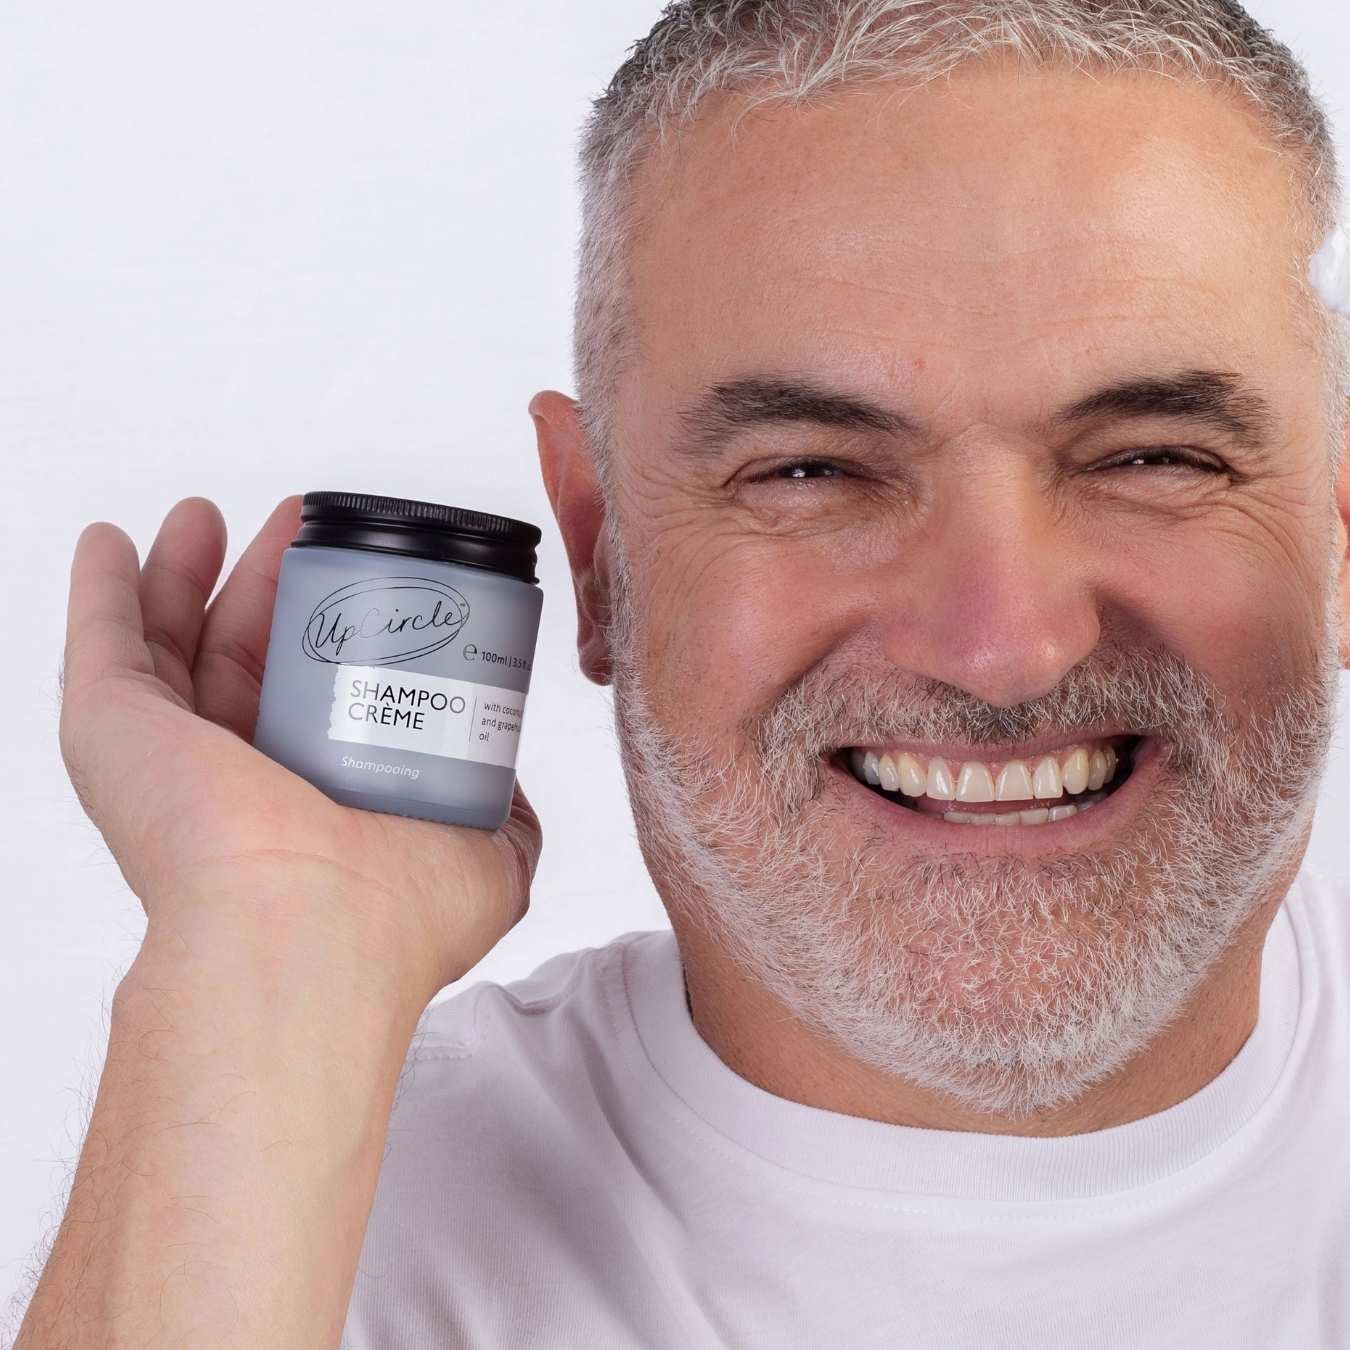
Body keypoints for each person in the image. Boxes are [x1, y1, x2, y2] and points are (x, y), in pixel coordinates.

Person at [15, 1, 1350, 1346]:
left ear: (1338, 528)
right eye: (808, 471)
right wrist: (261, 951)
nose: (1002, 644)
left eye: (1153, 458)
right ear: (598, 555)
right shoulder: (265, 1224)